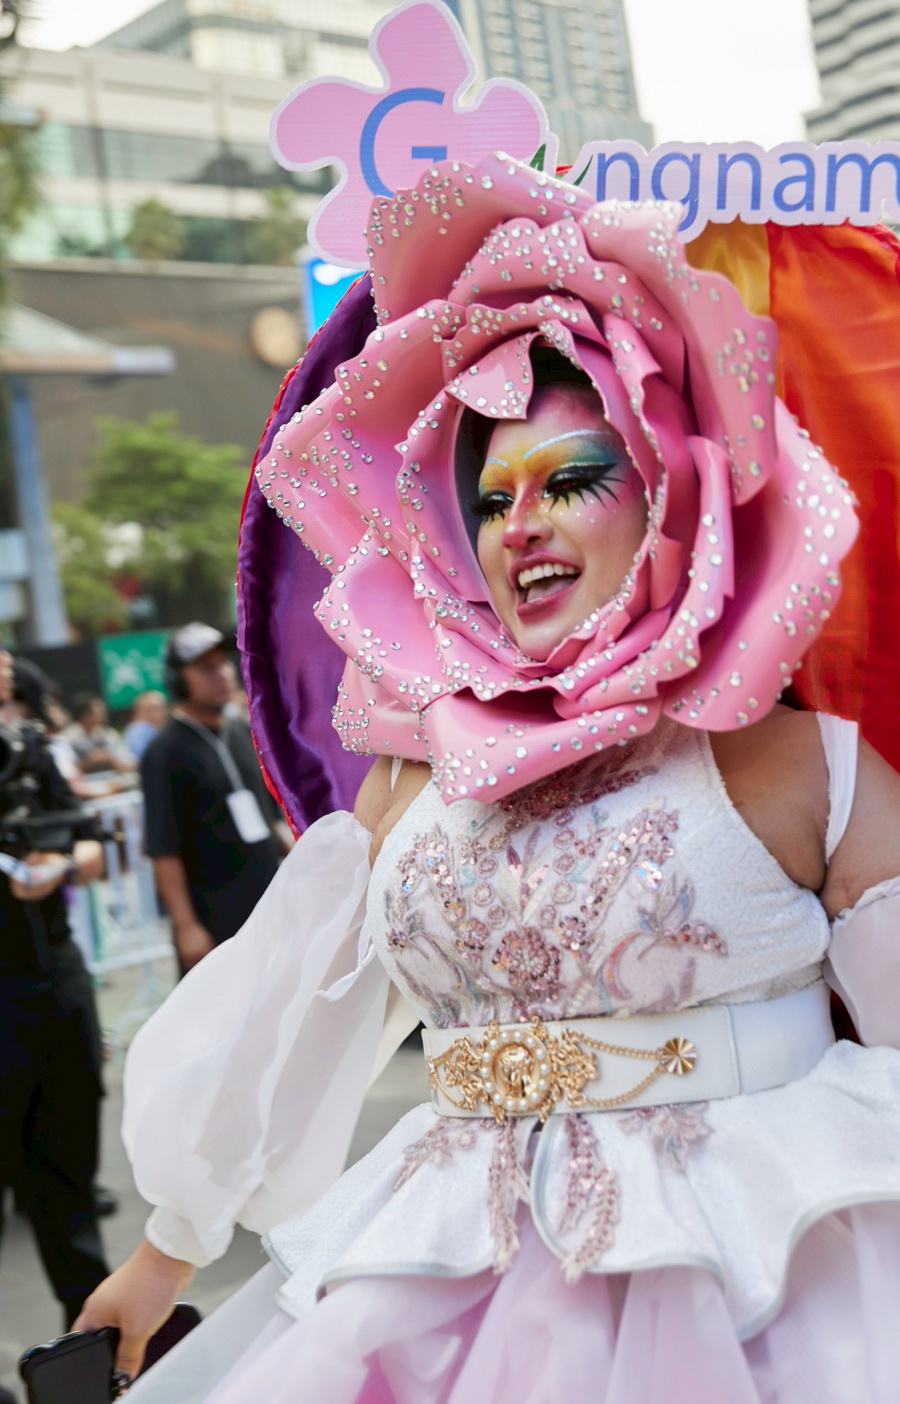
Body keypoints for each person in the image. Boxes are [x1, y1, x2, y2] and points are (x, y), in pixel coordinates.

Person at [76, 160, 900, 1402]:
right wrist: (162, 1253)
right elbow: (298, 1029)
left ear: (676, 497)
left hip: (776, 1286)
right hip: (444, 1276)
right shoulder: (407, 784)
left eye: (572, 478)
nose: (519, 525)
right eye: (489, 499)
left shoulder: (808, 766)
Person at [0, 653, 110, 1333]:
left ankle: (93, 1346)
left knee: (68, 1171)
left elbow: (94, 845)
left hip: (53, 979)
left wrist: (58, 865)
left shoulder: (29, 751)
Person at [139, 624, 282, 974]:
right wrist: (186, 926)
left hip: (268, 903)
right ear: (177, 680)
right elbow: (163, 850)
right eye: (205, 668)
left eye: (223, 663)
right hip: (213, 914)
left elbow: (270, 819)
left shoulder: (242, 733)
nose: (221, 674)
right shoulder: (164, 752)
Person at [65, 693, 136, 775]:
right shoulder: (68, 737)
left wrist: (110, 759)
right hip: (84, 782)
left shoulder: (108, 734)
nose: (104, 714)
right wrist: (89, 761)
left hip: (112, 779)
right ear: (85, 715)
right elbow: (66, 771)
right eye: (99, 711)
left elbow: (129, 765)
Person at [123, 691, 168, 763]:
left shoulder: (159, 730)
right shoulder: (138, 730)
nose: (159, 713)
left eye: (161, 708)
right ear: (138, 712)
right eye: (152, 709)